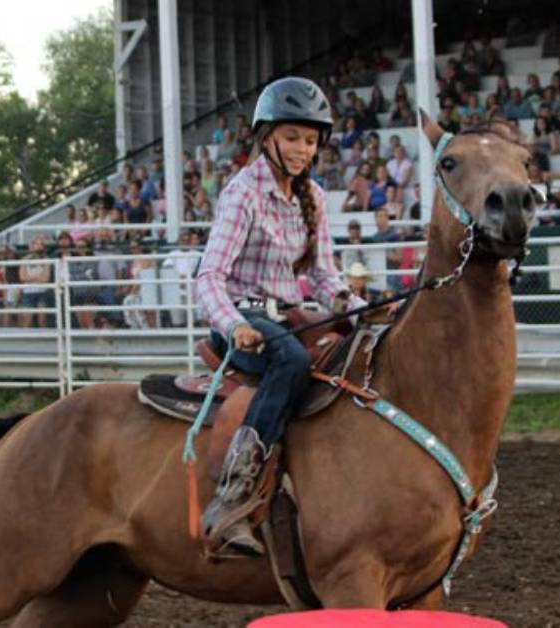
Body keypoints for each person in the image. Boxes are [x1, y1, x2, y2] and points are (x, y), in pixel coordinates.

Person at [193, 76, 366, 556]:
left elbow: (328, 279)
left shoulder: (312, 199)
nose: (302, 149)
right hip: (243, 321)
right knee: (289, 360)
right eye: (292, 137)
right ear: (266, 136)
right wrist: (235, 326)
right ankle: (233, 496)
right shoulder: (241, 193)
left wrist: (361, 310)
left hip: (287, 318)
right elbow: (209, 277)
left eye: (310, 140)